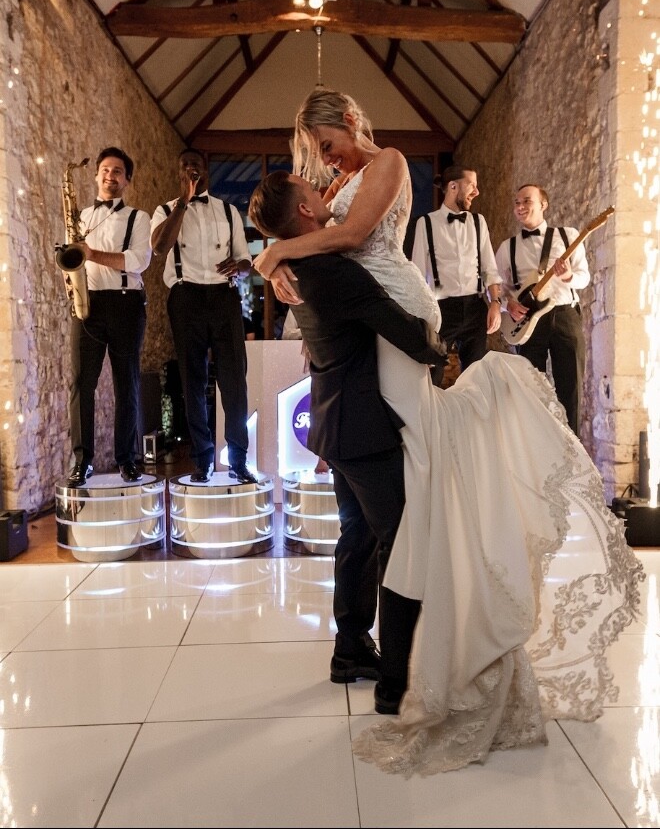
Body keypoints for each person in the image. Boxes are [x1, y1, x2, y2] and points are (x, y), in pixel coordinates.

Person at [252, 87, 644, 776]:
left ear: (347, 121)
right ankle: (368, 650)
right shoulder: (336, 184)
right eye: (316, 155)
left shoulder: (390, 163)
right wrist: (286, 262)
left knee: (413, 495)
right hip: (365, 338)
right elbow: (327, 249)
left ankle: (422, 653)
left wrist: (274, 253)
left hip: (393, 310)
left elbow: (345, 239)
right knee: (383, 513)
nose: (324, 160)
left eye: (327, 143)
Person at [248, 170, 447, 713]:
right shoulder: (333, 270)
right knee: (401, 541)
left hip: (333, 426)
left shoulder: (296, 268)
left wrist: (270, 254)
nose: (323, 191)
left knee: (357, 533)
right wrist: (442, 355)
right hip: (361, 428)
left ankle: (349, 648)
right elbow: (400, 326)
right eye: (312, 191)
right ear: (306, 213)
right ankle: (393, 686)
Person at [150, 147, 257, 485]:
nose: (191, 169)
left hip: (224, 298)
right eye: (184, 166)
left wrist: (238, 266)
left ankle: (238, 460)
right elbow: (159, 247)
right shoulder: (165, 210)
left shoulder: (228, 212)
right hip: (186, 298)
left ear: (206, 170)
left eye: (196, 164)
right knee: (192, 381)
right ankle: (202, 461)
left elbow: (245, 260)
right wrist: (183, 201)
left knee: (234, 381)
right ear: (179, 173)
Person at [67, 147, 151, 487]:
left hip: (126, 304)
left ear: (127, 180)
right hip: (87, 306)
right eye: (105, 169)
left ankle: (126, 460)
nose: (110, 175)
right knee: (81, 384)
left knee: (126, 383)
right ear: (96, 175)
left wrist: (93, 254)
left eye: (117, 171)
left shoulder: (139, 218)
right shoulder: (80, 217)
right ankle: (82, 461)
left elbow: (137, 261)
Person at [495, 183, 589, 436]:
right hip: (527, 323)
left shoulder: (568, 236)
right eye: (516, 203)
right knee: (530, 389)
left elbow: (584, 277)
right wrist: (507, 303)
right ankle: (535, 452)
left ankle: (573, 455)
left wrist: (569, 275)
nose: (520, 207)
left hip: (564, 316)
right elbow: (496, 287)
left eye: (526, 201)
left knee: (571, 388)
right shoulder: (507, 248)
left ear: (543, 204)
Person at [411, 165, 502, 387]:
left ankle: (473, 421)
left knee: (476, 378)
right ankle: (431, 421)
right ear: (453, 186)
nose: (477, 192)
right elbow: (416, 272)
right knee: (432, 375)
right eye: (472, 185)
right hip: (441, 310)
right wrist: (421, 318)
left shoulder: (478, 222)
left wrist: (495, 304)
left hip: (475, 309)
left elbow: (490, 267)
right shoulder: (426, 223)